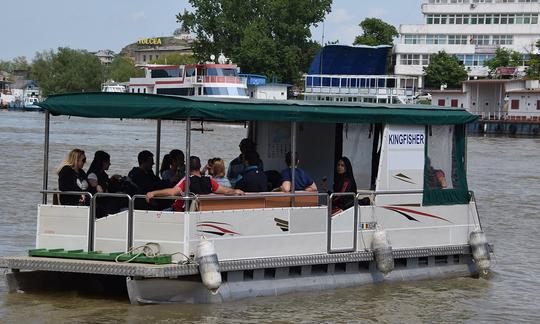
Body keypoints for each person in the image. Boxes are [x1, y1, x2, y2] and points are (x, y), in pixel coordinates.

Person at [146, 156, 244, 211]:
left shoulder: (187, 180)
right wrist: (235, 190)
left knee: (162, 212)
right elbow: (226, 191)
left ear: (187, 167)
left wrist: (153, 193)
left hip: (183, 212)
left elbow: (172, 192)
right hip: (200, 211)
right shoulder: (209, 180)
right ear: (200, 166)